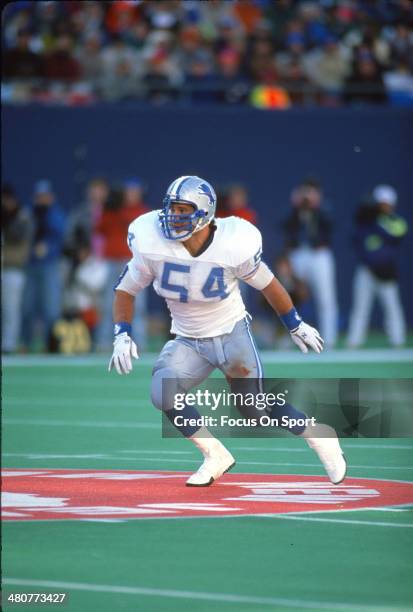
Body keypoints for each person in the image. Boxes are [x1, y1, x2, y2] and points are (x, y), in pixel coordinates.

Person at [108, 175, 346, 487]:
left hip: (231, 335)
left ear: (204, 213)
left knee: (255, 411)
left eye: (182, 210)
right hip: (188, 340)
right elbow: (125, 290)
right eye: (171, 208)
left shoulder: (231, 243)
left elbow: (269, 285)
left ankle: (317, 434)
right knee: (162, 392)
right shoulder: (151, 240)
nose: (173, 217)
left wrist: (295, 324)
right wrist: (122, 333)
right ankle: (214, 454)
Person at [347, 185, 408, 347]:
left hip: (386, 272)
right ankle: (354, 342)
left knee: (392, 307)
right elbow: (357, 240)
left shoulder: (396, 222)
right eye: (380, 203)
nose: (383, 206)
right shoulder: (365, 221)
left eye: (386, 203)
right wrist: (368, 219)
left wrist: (375, 222)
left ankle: (398, 340)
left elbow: (396, 235)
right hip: (366, 270)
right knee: (360, 308)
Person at [282, 177, 338, 347]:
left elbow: (330, 226)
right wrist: (296, 207)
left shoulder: (324, 209)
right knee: (290, 296)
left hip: (320, 255)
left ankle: (329, 340)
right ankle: (291, 337)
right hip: (299, 254)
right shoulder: (295, 211)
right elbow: (286, 228)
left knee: (326, 298)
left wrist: (316, 206)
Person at [22, 180, 65, 351]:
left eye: (45, 196)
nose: (42, 200)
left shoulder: (55, 214)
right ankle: (26, 343)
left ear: (51, 197)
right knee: (27, 307)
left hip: (50, 265)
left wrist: (47, 247)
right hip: (30, 265)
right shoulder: (29, 214)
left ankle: (50, 345)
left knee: (51, 309)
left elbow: (60, 235)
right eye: (39, 197)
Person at [1, 184, 33, 353]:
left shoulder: (21, 215)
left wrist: (8, 218)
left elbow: (17, 236)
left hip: (13, 267)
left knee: (10, 309)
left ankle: (9, 344)